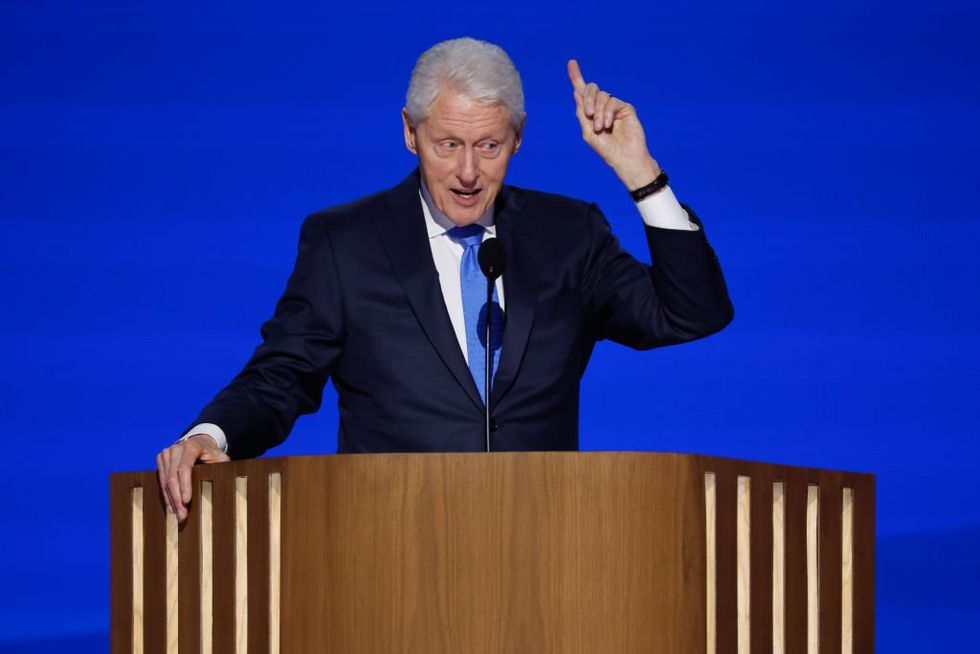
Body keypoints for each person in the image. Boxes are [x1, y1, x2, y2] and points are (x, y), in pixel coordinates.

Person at [157, 37, 733, 521]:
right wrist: (211, 437)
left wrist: (640, 172)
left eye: (488, 146)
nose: (466, 172)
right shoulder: (346, 243)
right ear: (411, 134)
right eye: (447, 144)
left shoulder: (568, 236)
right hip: (390, 555)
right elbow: (281, 376)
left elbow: (690, 312)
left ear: (519, 138)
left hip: (546, 556)